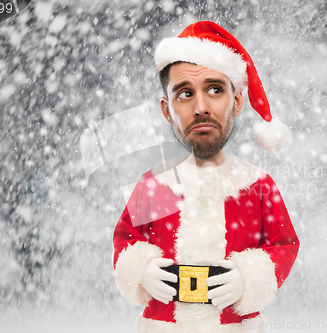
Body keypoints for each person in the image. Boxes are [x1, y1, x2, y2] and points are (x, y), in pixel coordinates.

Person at [112, 21, 299, 333]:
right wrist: (140, 270)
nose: (201, 107)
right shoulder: (156, 185)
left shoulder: (257, 187)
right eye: (185, 93)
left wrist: (249, 277)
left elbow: (284, 245)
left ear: (237, 101)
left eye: (215, 89)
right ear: (167, 110)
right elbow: (126, 240)